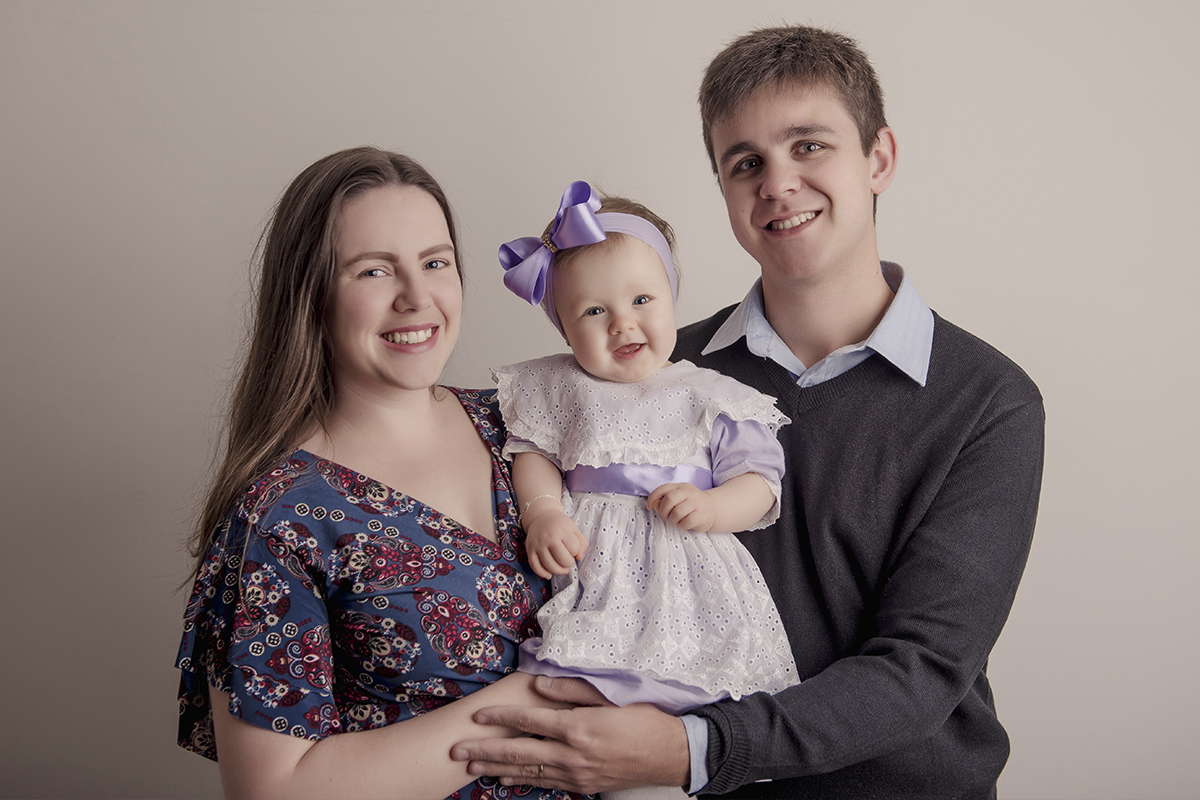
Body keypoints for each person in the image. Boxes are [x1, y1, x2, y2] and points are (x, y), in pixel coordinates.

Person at [451, 25, 1045, 799]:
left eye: (809, 146)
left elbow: (922, 668)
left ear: (879, 159)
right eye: (745, 163)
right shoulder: (644, 374)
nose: (777, 184)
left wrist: (691, 750)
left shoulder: (986, 401)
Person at [175, 146, 581, 800]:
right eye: (373, 271)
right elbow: (275, 791)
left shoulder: (524, 428)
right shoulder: (279, 517)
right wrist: (539, 694)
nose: (417, 298)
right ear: (311, 293)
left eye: (436, 262)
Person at [492, 182, 800, 729]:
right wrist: (543, 511)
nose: (622, 323)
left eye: (641, 300)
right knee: (571, 687)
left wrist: (715, 509)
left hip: (687, 570)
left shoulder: (708, 393)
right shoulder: (557, 386)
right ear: (563, 325)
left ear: (672, 296)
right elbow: (532, 451)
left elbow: (760, 480)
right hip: (593, 565)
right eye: (592, 310)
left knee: (690, 691)